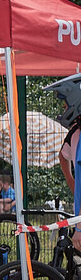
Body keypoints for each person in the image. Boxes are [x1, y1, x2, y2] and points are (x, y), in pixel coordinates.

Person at [46, 73, 81, 252]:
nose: (64, 107)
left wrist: (80, 228)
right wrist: (71, 181)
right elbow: (63, 155)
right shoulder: (75, 132)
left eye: (66, 102)